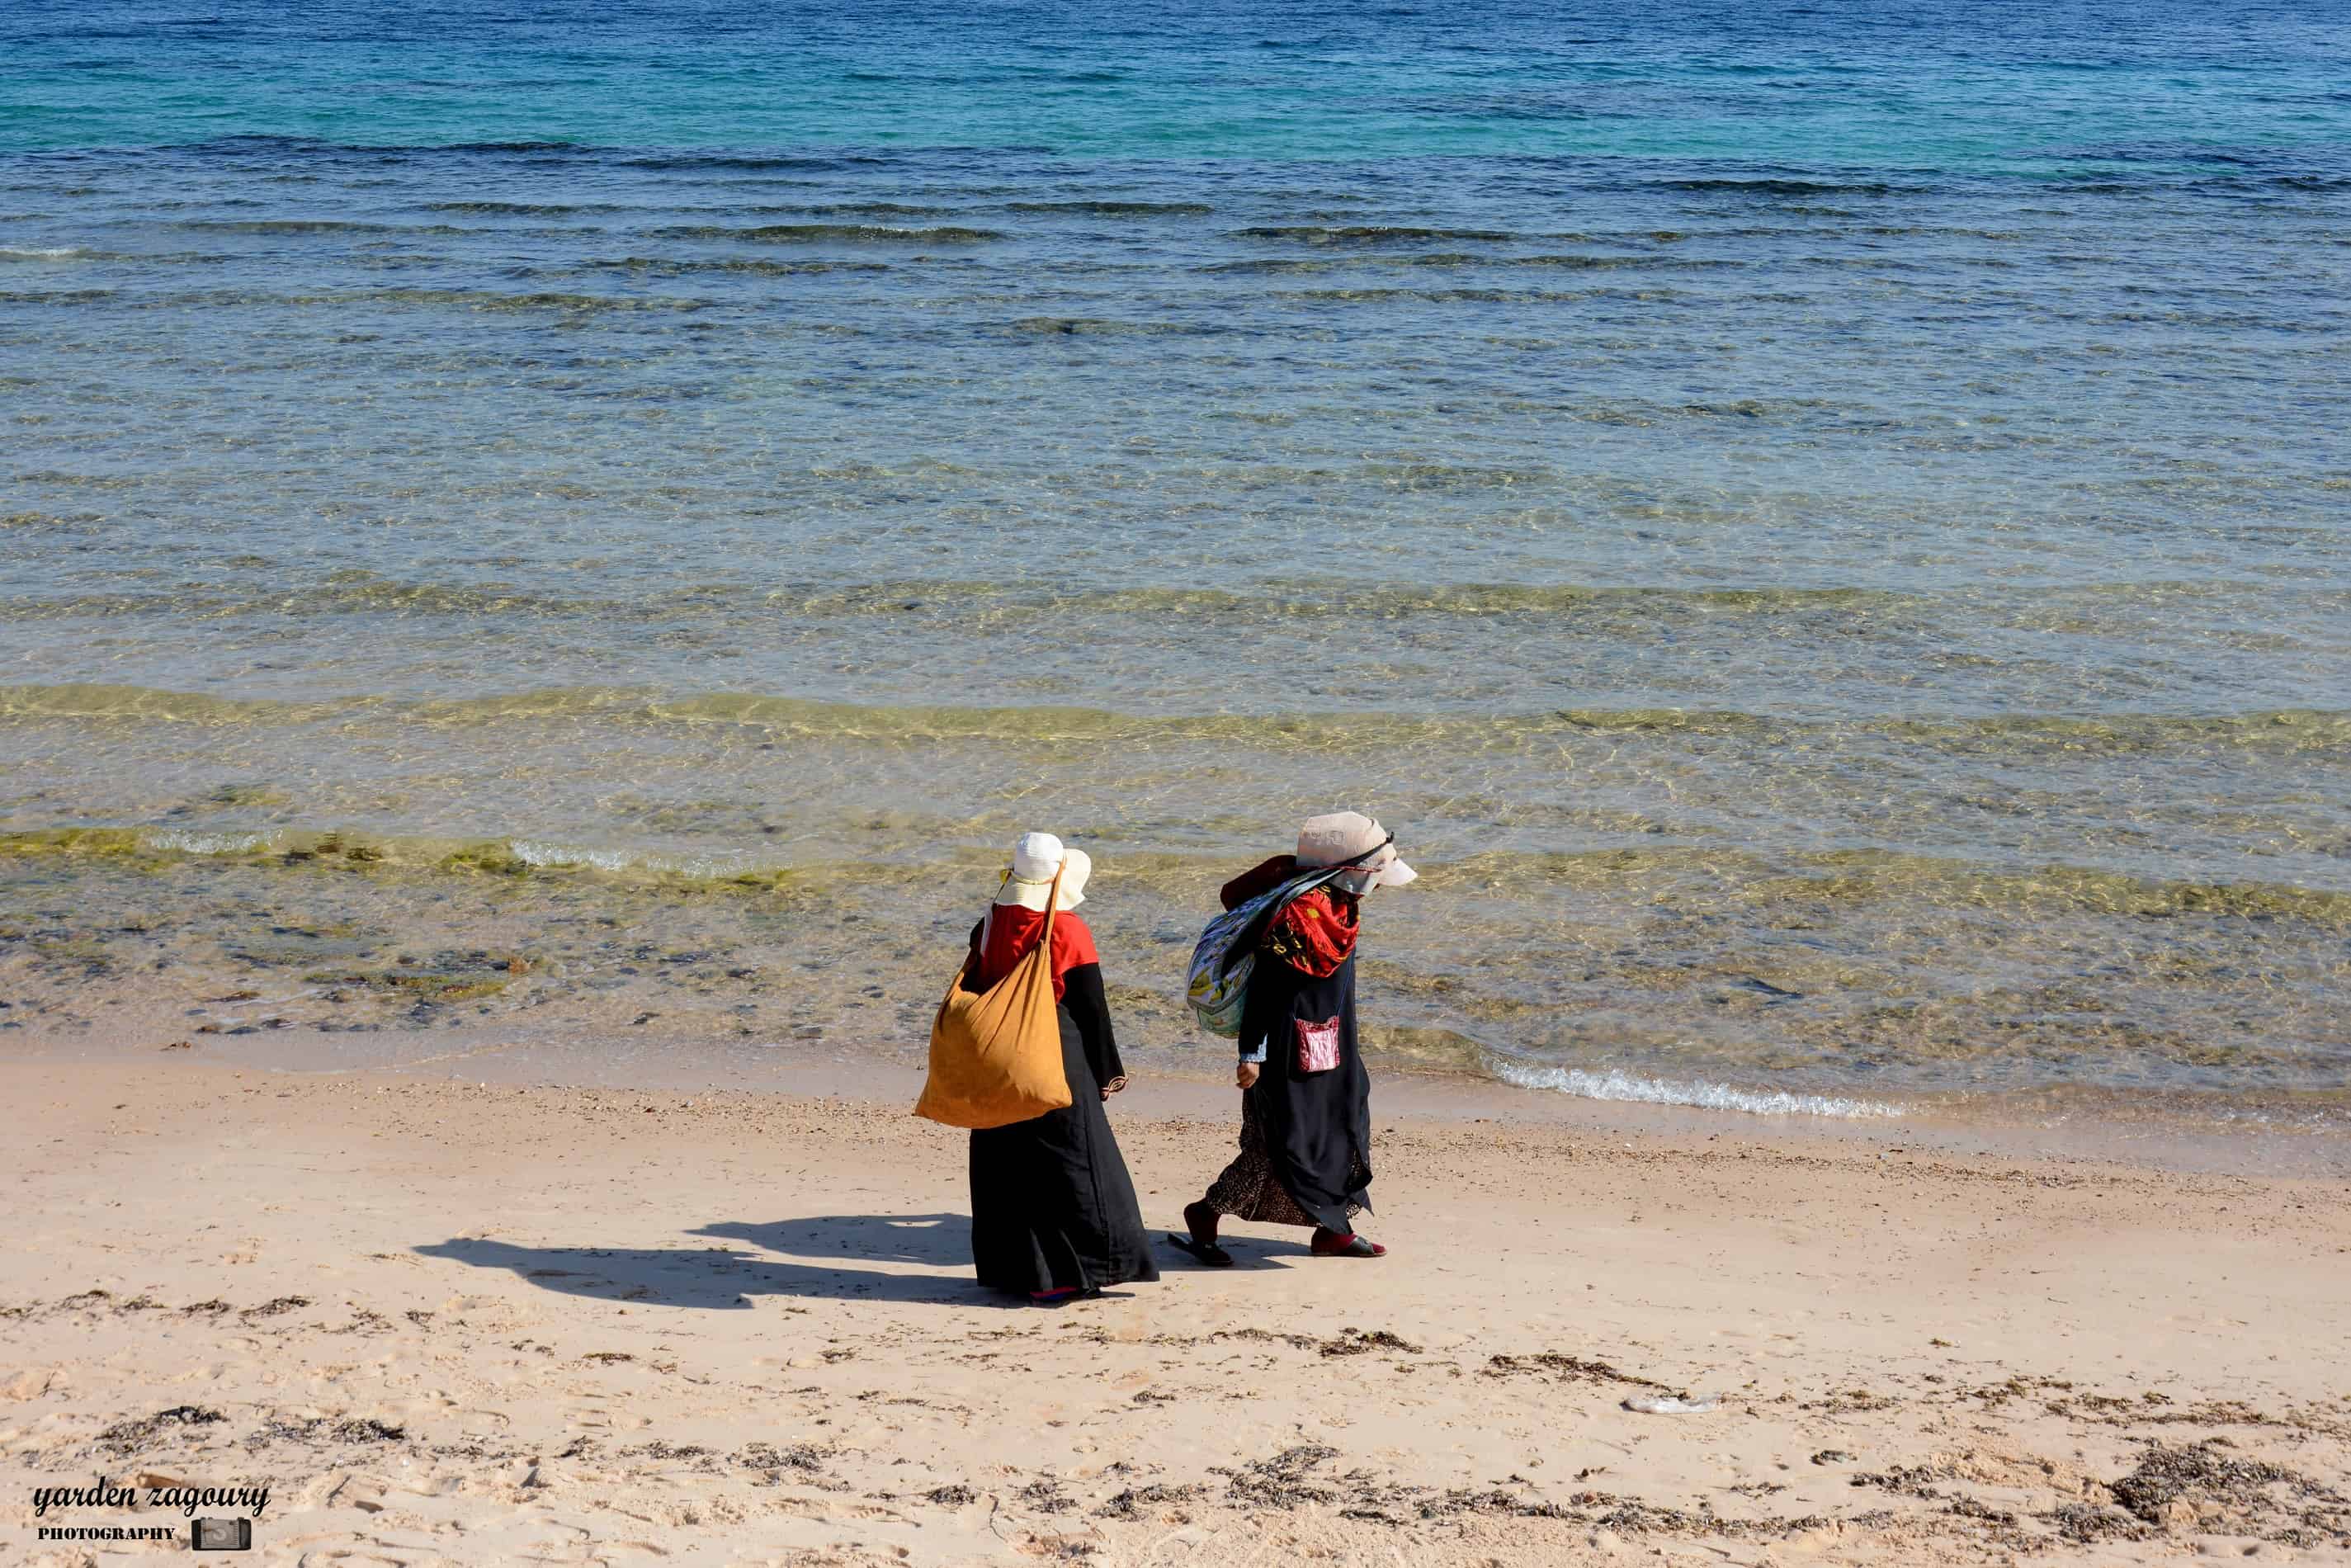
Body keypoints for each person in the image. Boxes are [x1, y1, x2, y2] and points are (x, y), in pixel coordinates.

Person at [1177, 812, 1417, 1264]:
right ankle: (1205, 1214)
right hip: (1286, 1048)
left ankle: (1333, 1231)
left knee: (1345, 1126)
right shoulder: (1296, 916)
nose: (1382, 885)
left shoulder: (1339, 904)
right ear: (1352, 870)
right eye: (1378, 874)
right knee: (1281, 1144)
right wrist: (1251, 1055)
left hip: (1333, 1040)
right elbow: (1267, 991)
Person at [964, 832, 1159, 1301]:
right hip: (1054, 1052)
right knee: (1076, 1162)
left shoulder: (990, 920)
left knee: (1008, 1164)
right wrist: (1107, 1070)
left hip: (1001, 1057)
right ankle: (1073, 1276)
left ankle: (1020, 1274)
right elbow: (1091, 1007)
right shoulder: (1066, 929)